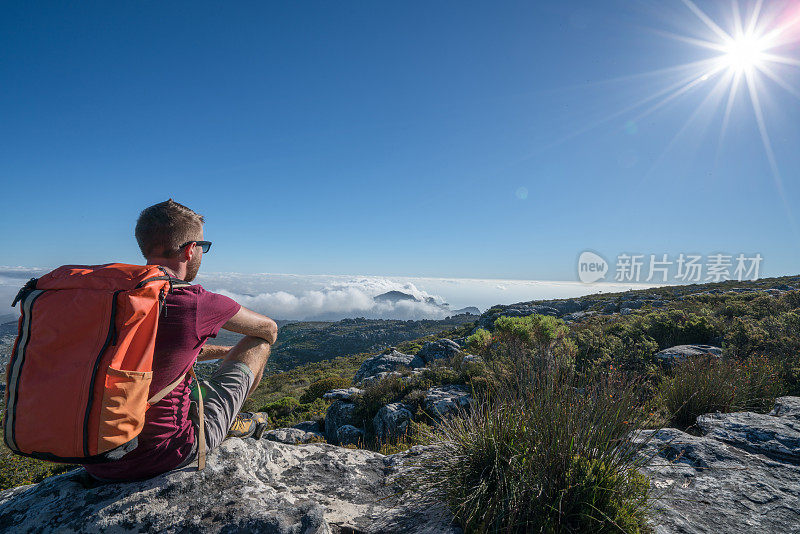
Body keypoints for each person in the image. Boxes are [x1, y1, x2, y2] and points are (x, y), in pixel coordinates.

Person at [84, 199, 278, 481]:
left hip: (96, 459)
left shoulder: (119, 297)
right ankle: (228, 421)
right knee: (258, 343)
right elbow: (269, 329)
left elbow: (147, 354)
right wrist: (236, 350)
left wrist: (222, 351)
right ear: (190, 250)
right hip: (165, 454)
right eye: (203, 246)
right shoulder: (192, 300)